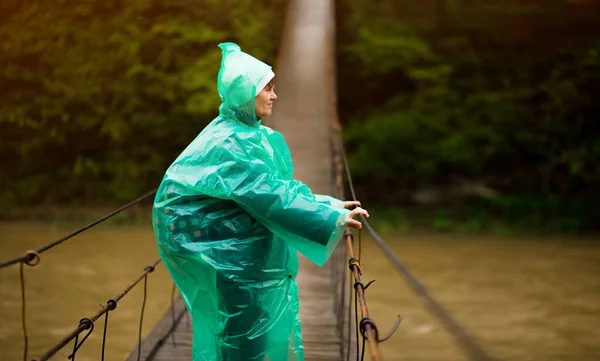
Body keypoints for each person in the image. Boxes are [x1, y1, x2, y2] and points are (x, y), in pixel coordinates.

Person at [152, 42, 369, 361]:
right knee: (245, 336)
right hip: (231, 253)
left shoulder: (249, 134)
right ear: (244, 92)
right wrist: (327, 219)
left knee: (252, 333)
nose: (274, 95)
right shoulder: (233, 142)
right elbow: (271, 198)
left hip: (239, 251)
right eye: (266, 88)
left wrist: (330, 205)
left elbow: (277, 188)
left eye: (274, 87)